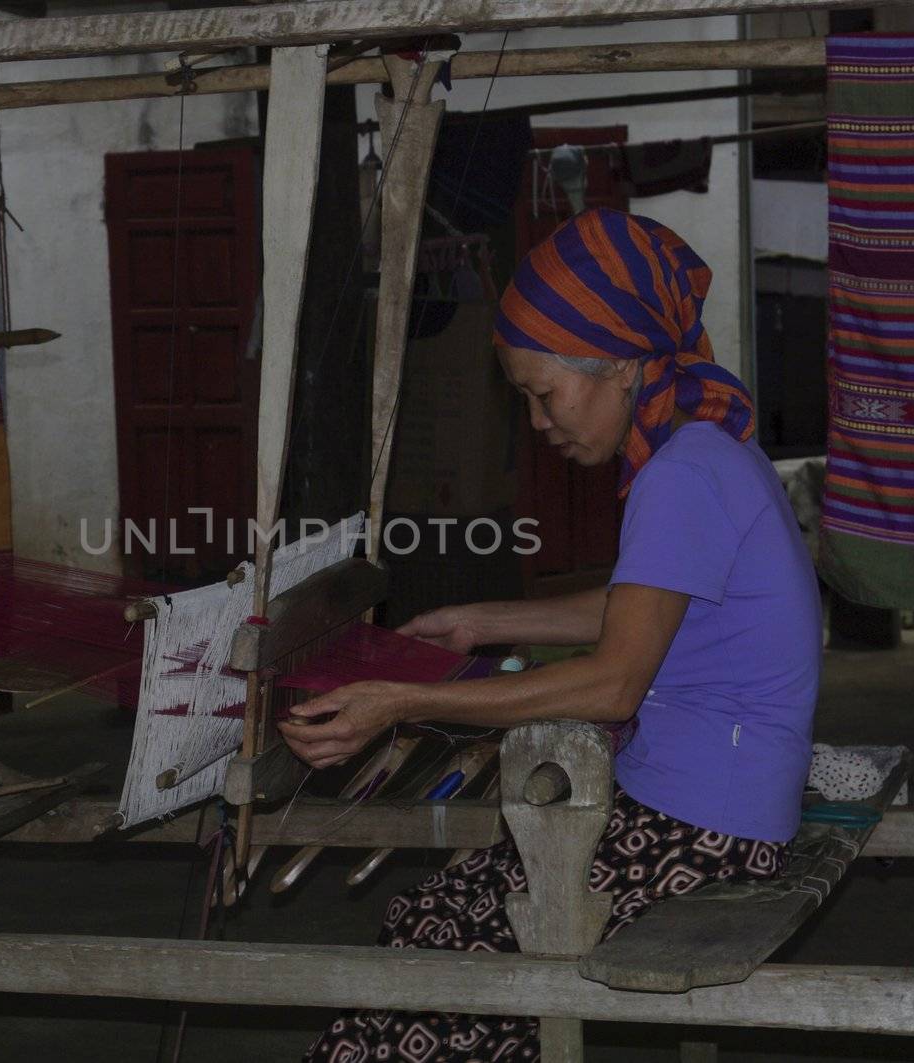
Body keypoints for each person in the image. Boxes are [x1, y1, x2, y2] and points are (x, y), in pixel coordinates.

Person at [284, 208, 823, 1062]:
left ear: (617, 364)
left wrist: (402, 701)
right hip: (707, 805)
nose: (539, 422)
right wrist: (482, 621)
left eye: (544, 393)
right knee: (432, 920)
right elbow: (643, 606)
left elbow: (614, 681)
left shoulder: (680, 473)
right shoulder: (704, 447)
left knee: (442, 958)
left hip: (704, 829)